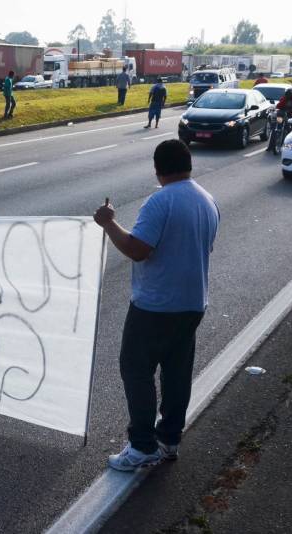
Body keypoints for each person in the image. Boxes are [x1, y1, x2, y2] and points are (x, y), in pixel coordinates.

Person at [93, 139, 219, 470]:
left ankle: (142, 446)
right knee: (177, 374)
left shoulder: (160, 202)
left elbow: (137, 249)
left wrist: (108, 223)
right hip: (193, 303)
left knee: (136, 371)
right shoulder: (207, 201)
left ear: (158, 169)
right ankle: (169, 440)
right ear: (188, 164)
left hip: (155, 307)